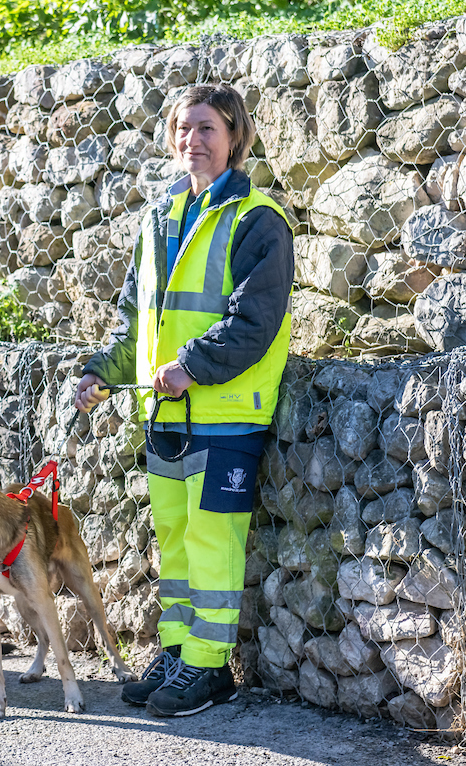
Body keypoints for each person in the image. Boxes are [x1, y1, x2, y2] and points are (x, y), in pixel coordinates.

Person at [74, 83, 294, 717]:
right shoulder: (159, 217)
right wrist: (101, 374)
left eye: (207, 128)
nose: (192, 140)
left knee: (210, 541)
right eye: (183, 128)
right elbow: (134, 322)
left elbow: (254, 321)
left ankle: (207, 668)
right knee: (172, 539)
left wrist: (193, 368)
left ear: (235, 138)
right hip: (164, 411)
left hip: (225, 412)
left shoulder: (258, 220)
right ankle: (176, 653)